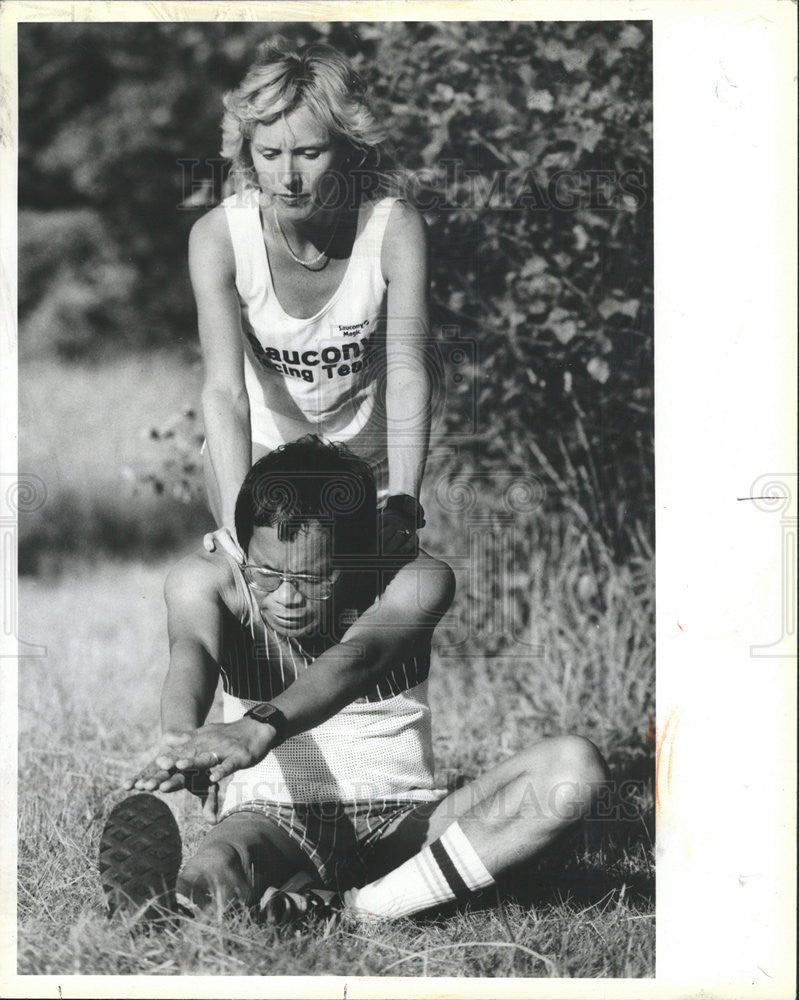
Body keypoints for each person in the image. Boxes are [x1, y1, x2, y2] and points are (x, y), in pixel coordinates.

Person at [101, 437, 609, 923]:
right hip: (273, 819)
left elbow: (357, 660)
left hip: (406, 823)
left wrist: (260, 725)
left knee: (574, 767)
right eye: (268, 574)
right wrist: (181, 739)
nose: (285, 597)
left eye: (311, 579)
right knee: (218, 865)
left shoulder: (414, 578)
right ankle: (173, 909)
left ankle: (361, 910)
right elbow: (193, 650)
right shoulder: (208, 580)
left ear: (359, 556)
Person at [191, 37, 432, 560]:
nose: (288, 177)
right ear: (248, 152)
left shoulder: (395, 229)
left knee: (398, 600)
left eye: (309, 152)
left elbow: (409, 372)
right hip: (259, 448)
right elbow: (225, 392)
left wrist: (406, 502)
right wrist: (238, 525)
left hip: (365, 459)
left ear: (349, 147)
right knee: (261, 583)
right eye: (270, 153)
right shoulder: (218, 237)